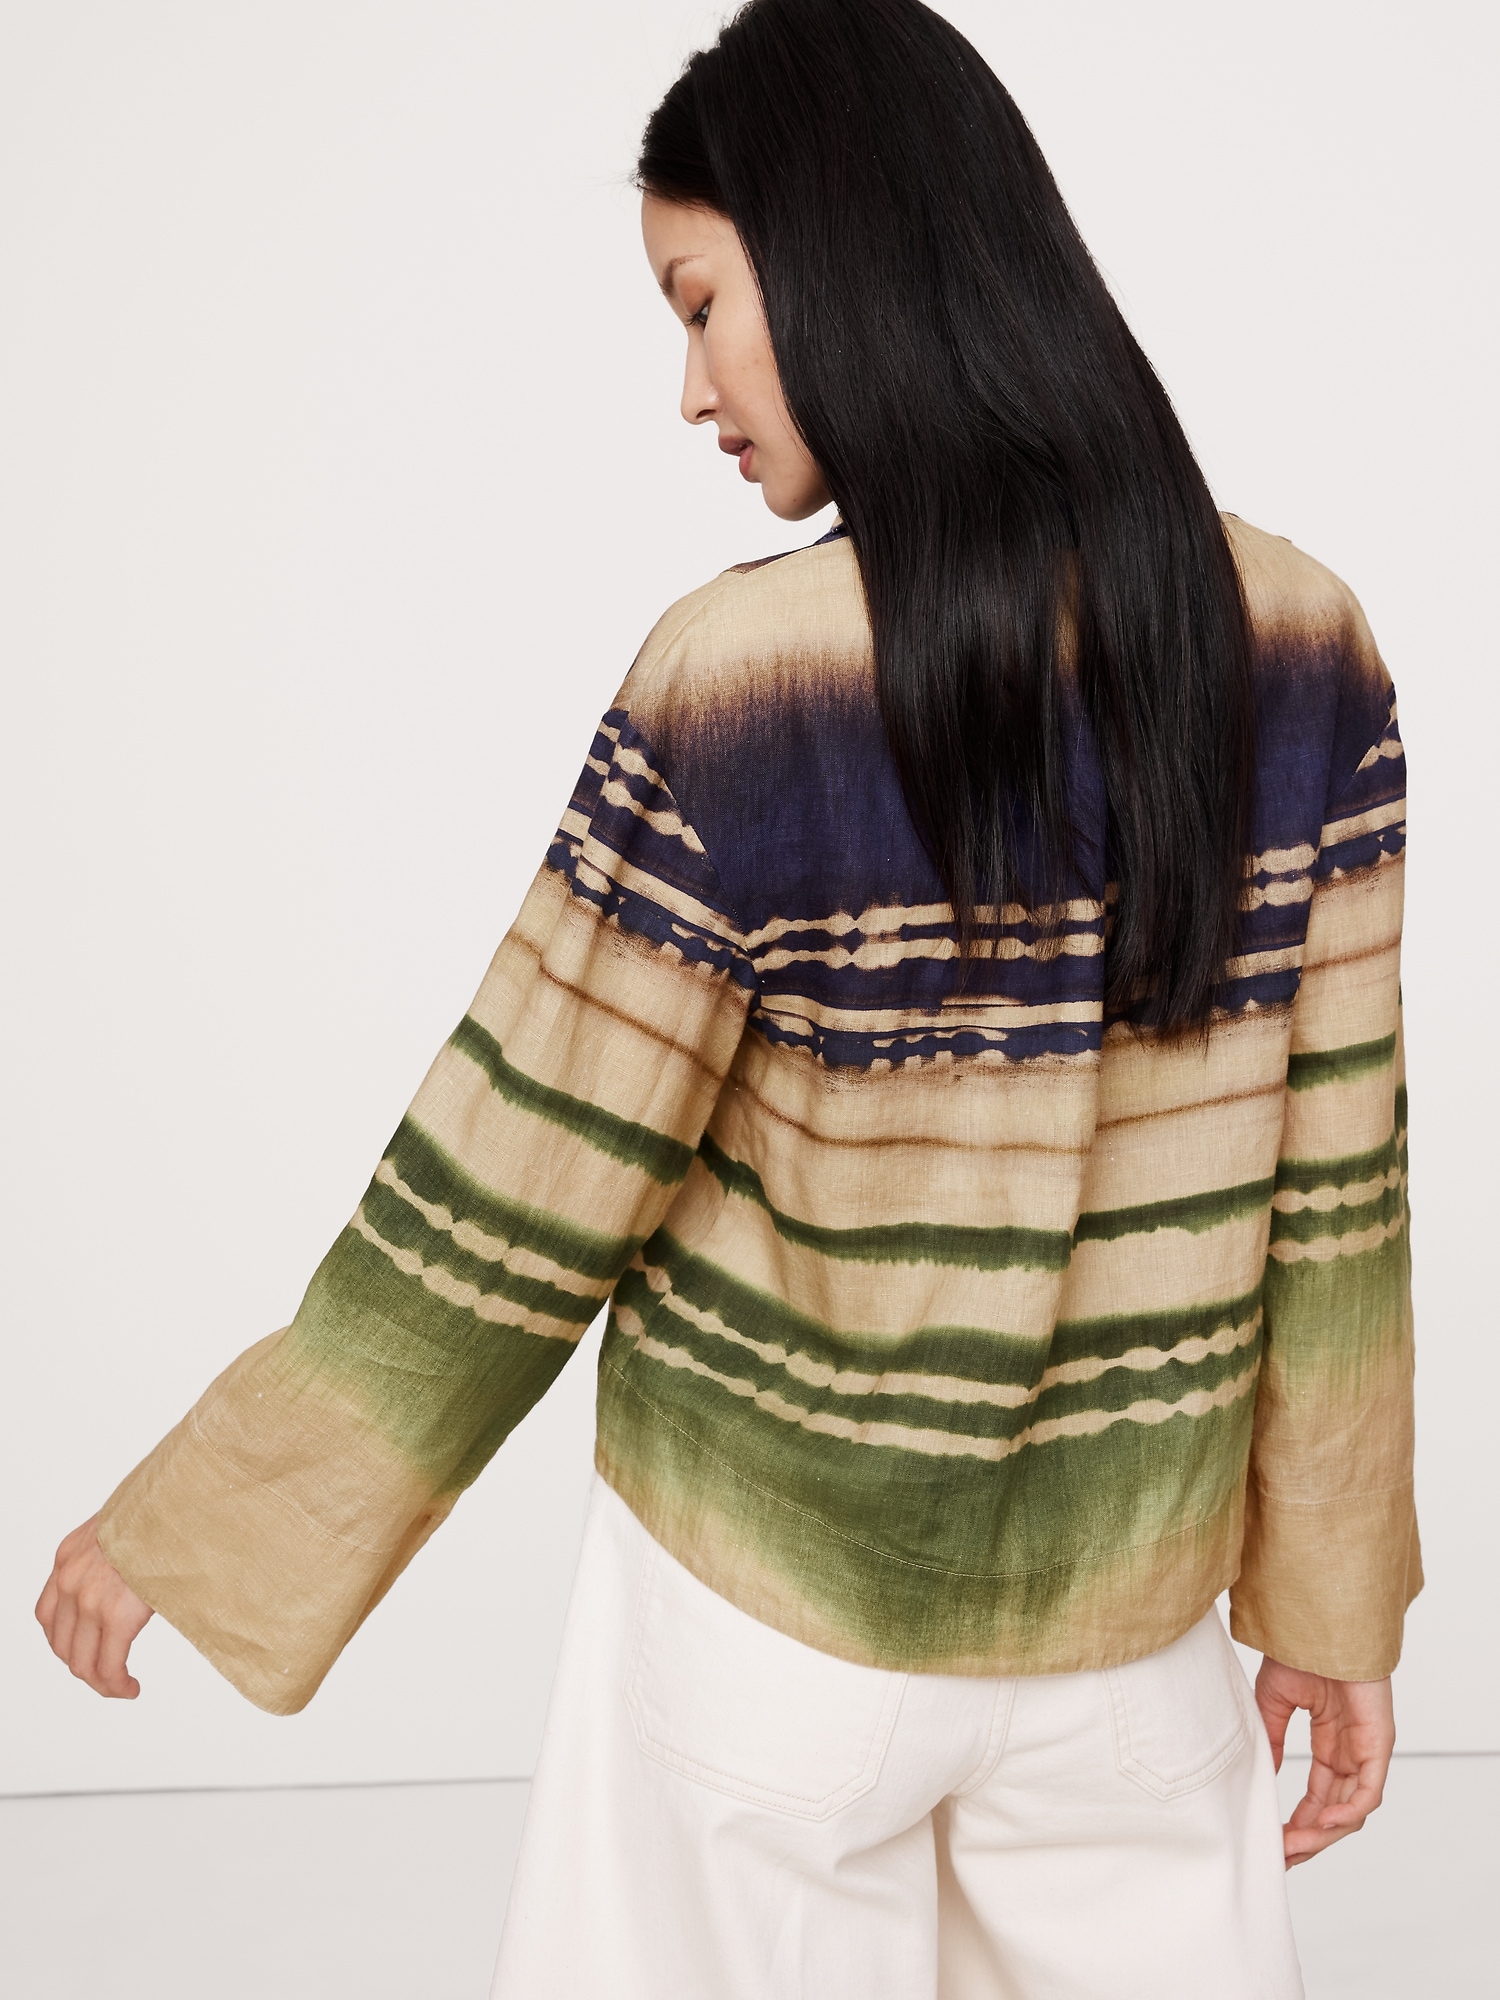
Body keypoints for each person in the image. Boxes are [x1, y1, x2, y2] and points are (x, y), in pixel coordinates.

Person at [37, 2, 1417, 1994]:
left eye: (700, 306)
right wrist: (1334, 1602)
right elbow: (1337, 1195)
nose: (689, 389)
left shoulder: (738, 680)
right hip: (1131, 1650)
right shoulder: (1305, 645)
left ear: (843, 257)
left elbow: (519, 1180)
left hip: (769, 1635)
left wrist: (203, 1517)